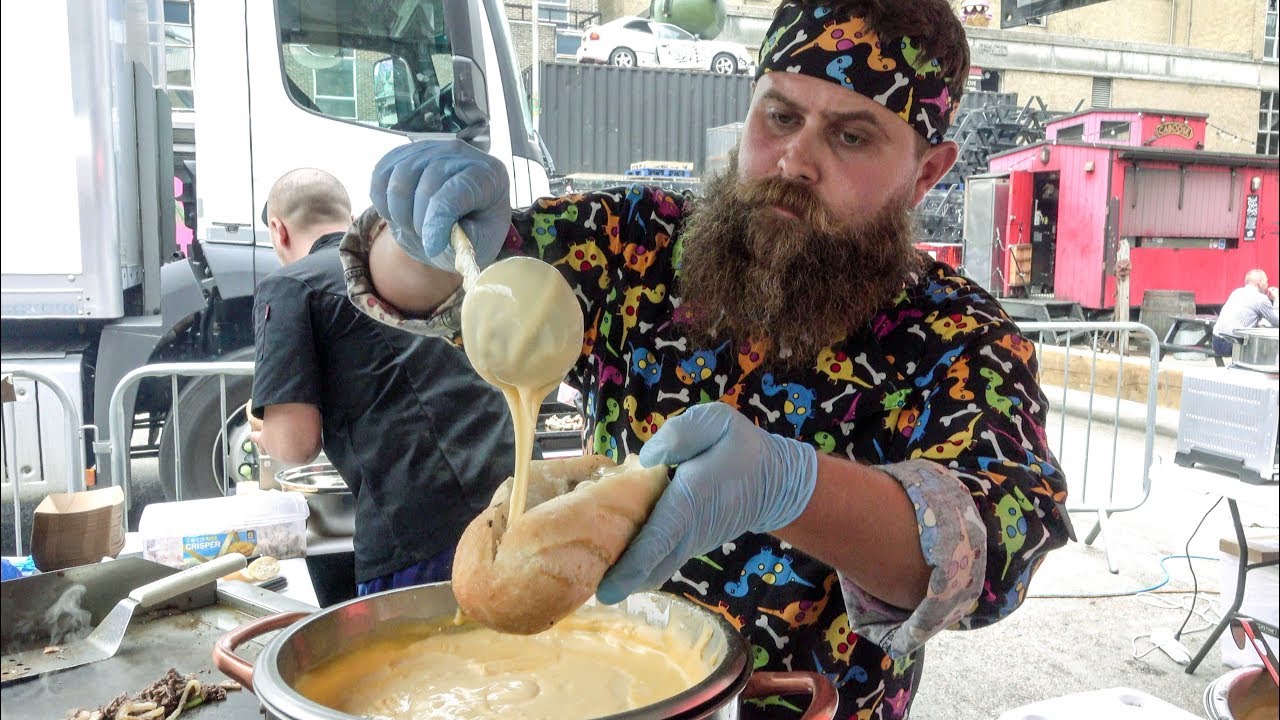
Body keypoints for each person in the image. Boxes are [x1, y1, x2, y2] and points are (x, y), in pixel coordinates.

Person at [343, 1, 1074, 716]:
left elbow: (996, 547)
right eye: (780, 117)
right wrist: (415, 236)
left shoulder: (962, 337)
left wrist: (791, 487)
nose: (796, 161)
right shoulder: (642, 246)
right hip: (603, 691)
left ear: (927, 173)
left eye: (851, 138)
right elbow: (465, 280)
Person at [249, 168, 520, 595]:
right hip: (516, 490)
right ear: (348, 214)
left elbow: (295, 443)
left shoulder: (288, 287)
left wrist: (267, 434)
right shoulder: (403, 263)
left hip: (421, 532)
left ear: (278, 230)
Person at [1212, 269, 1278, 357]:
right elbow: (1277, 322)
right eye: (1266, 281)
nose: (1267, 285)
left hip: (1216, 341)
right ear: (1260, 283)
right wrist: (1276, 299)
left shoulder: (1237, 292)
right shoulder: (1261, 299)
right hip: (1232, 344)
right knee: (1267, 347)